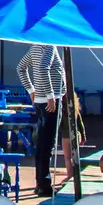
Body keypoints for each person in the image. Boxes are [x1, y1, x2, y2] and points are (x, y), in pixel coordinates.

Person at [16, 44, 67, 197]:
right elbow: (44, 68)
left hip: (39, 100)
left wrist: (31, 90)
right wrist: (51, 96)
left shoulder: (34, 48)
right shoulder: (49, 46)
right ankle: (44, 185)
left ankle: (40, 182)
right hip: (51, 101)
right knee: (48, 143)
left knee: (42, 143)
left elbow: (20, 68)